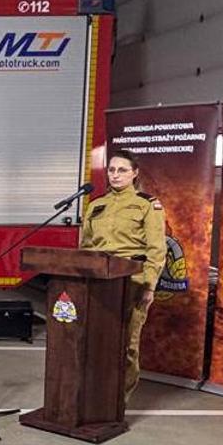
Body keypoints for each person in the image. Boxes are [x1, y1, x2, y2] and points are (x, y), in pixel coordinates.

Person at [78, 150, 167, 399]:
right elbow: (85, 247)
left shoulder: (147, 204)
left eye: (122, 170)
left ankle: (118, 402)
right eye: (112, 170)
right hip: (97, 282)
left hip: (132, 281)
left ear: (135, 174)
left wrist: (149, 287)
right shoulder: (96, 205)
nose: (115, 175)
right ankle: (95, 397)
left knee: (127, 345)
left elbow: (156, 249)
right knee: (95, 341)